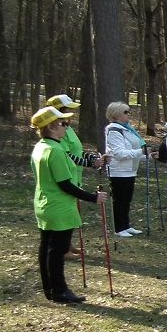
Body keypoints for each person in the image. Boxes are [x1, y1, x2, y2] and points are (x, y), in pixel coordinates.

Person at [30, 106, 108, 303]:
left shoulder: (41, 146)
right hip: (59, 207)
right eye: (63, 123)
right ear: (51, 127)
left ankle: (50, 289)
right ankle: (59, 290)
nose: (66, 127)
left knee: (47, 247)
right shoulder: (55, 150)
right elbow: (65, 184)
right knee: (57, 250)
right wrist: (93, 197)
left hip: (45, 204)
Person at [104, 100, 149, 237]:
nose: (128, 114)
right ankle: (119, 228)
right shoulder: (114, 130)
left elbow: (134, 150)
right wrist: (141, 152)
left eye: (128, 111)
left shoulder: (128, 129)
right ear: (116, 114)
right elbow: (119, 153)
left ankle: (126, 225)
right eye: (125, 112)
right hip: (118, 171)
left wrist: (148, 155)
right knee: (119, 200)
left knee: (126, 200)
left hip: (130, 170)